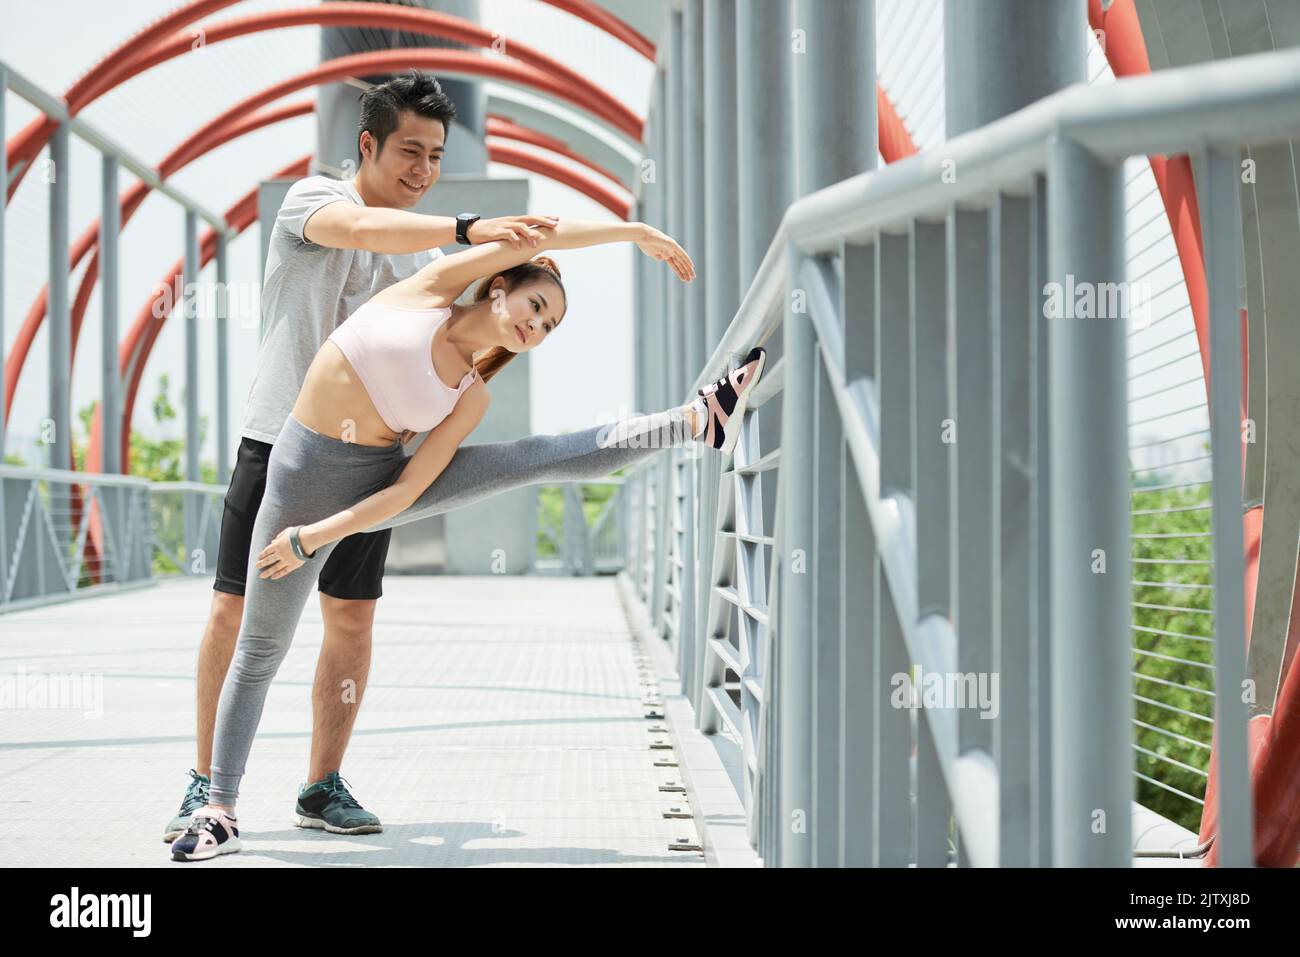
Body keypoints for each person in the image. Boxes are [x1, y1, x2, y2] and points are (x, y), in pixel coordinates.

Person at [169, 214, 768, 860]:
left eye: (548, 327)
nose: (533, 328)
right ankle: (220, 809)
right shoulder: (429, 289)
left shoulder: (471, 394)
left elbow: (400, 495)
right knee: (262, 647)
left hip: (376, 484)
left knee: (534, 455)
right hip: (299, 473)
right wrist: (631, 233)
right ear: (498, 286)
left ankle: (695, 420)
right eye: (535, 306)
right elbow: (542, 237)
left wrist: (317, 537)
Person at [164, 69, 562, 843]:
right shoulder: (314, 201)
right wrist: (469, 228)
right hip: (276, 438)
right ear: (367, 144)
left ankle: (320, 785)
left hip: (365, 464)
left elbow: (464, 342)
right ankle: (205, 779)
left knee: (350, 619)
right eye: (410, 151)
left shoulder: (419, 272)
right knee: (234, 611)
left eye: (437, 156)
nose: (423, 170)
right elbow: (362, 229)